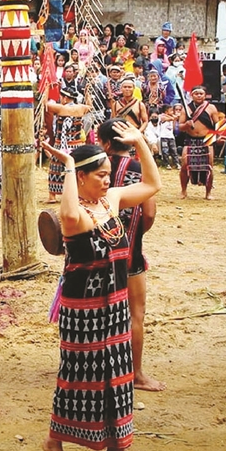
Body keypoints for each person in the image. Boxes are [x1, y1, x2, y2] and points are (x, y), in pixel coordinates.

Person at [38, 122, 160, 451]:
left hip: (116, 303)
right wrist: (69, 170)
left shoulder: (114, 200)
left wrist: (141, 144)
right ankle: (54, 441)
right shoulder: (76, 217)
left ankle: (117, 448)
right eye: (100, 175)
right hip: (83, 310)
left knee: (119, 376)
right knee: (79, 377)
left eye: (109, 174)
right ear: (83, 177)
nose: (107, 180)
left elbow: (153, 185)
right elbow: (70, 215)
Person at [95, 119, 164, 392]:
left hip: (97, 255)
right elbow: (148, 213)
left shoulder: (95, 169)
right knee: (136, 313)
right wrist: (135, 237)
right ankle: (135, 373)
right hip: (131, 254)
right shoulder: (139, 170)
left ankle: (97, 367)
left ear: (106, 143)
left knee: (97, 310)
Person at [178, 85, 220, 200]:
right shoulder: (186, 108)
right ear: (192, 95)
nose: (199, 96)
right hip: (190, 139)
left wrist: (218, 137)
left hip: (206, 140)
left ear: (205, 95)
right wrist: (186, 125)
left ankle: (208, 193)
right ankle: (183, 190)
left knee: (209, 166)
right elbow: (179, 126)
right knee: (184, 165)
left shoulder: (211, 108)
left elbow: (218, 125)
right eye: (196, 93)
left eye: (201, 93)